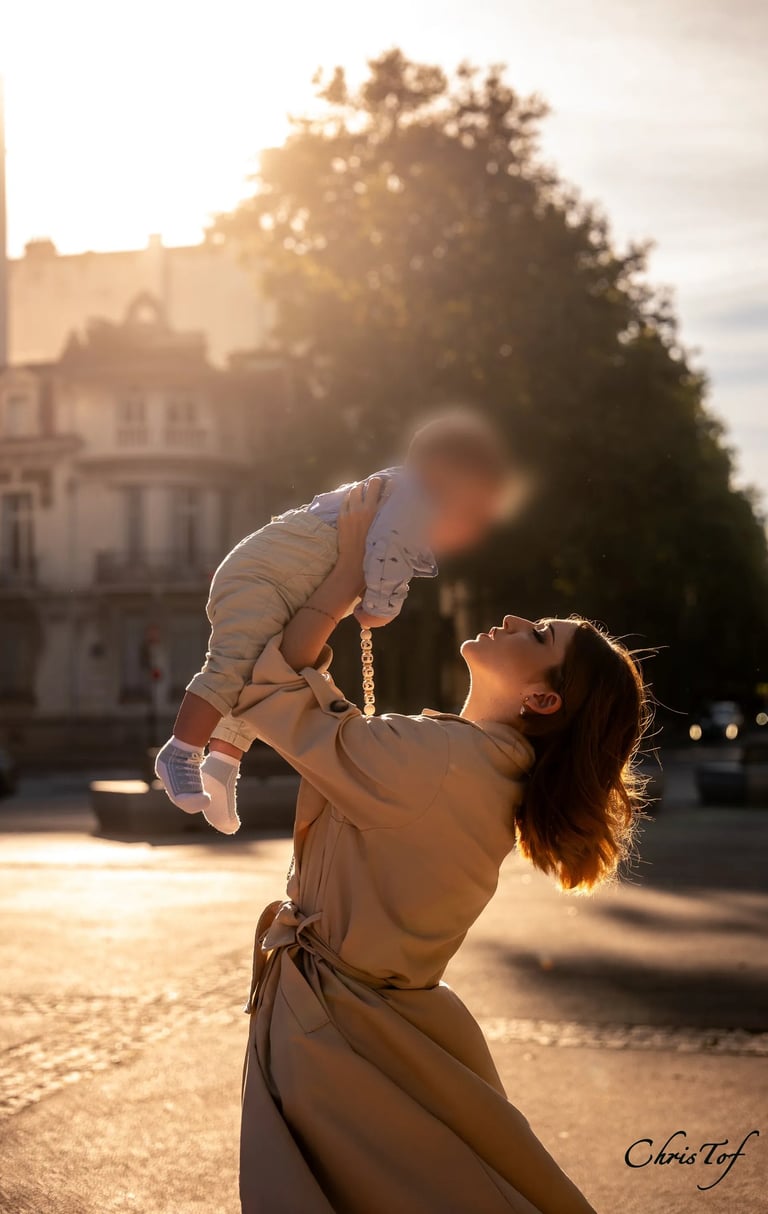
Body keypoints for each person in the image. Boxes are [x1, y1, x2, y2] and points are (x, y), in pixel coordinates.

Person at [232, 481, 649, 1214]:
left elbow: (268, 688)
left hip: (339, 1038)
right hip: (378, 1028)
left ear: (543, 700)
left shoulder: (442, 762)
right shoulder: (477, 768)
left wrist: (340, 578)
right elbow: (301, 693)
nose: (517, 618)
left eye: (539, 635)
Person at [155, 409, 514, 834]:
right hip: (263, 576)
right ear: (443, 471)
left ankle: (222, 763)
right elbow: (385, 550)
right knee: (234, 665)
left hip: (289, 583)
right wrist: (382, 606)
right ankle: (181, 751)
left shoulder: (411, 499)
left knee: (272, 676)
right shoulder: (413, 495)